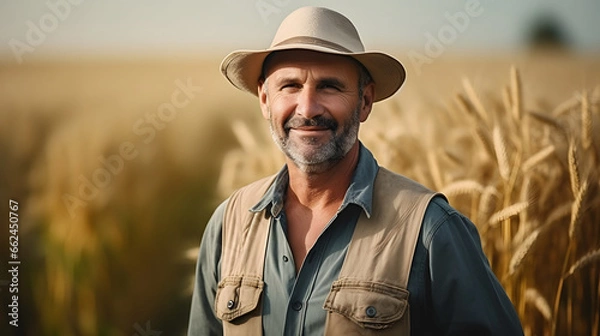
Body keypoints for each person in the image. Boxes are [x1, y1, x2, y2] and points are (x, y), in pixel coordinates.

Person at [188, 6, 523, 336]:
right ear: (264, 99)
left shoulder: (431, 230)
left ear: (365, 101)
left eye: (329, 87)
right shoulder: (228, 225)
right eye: (289, 86)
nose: (307, 108)